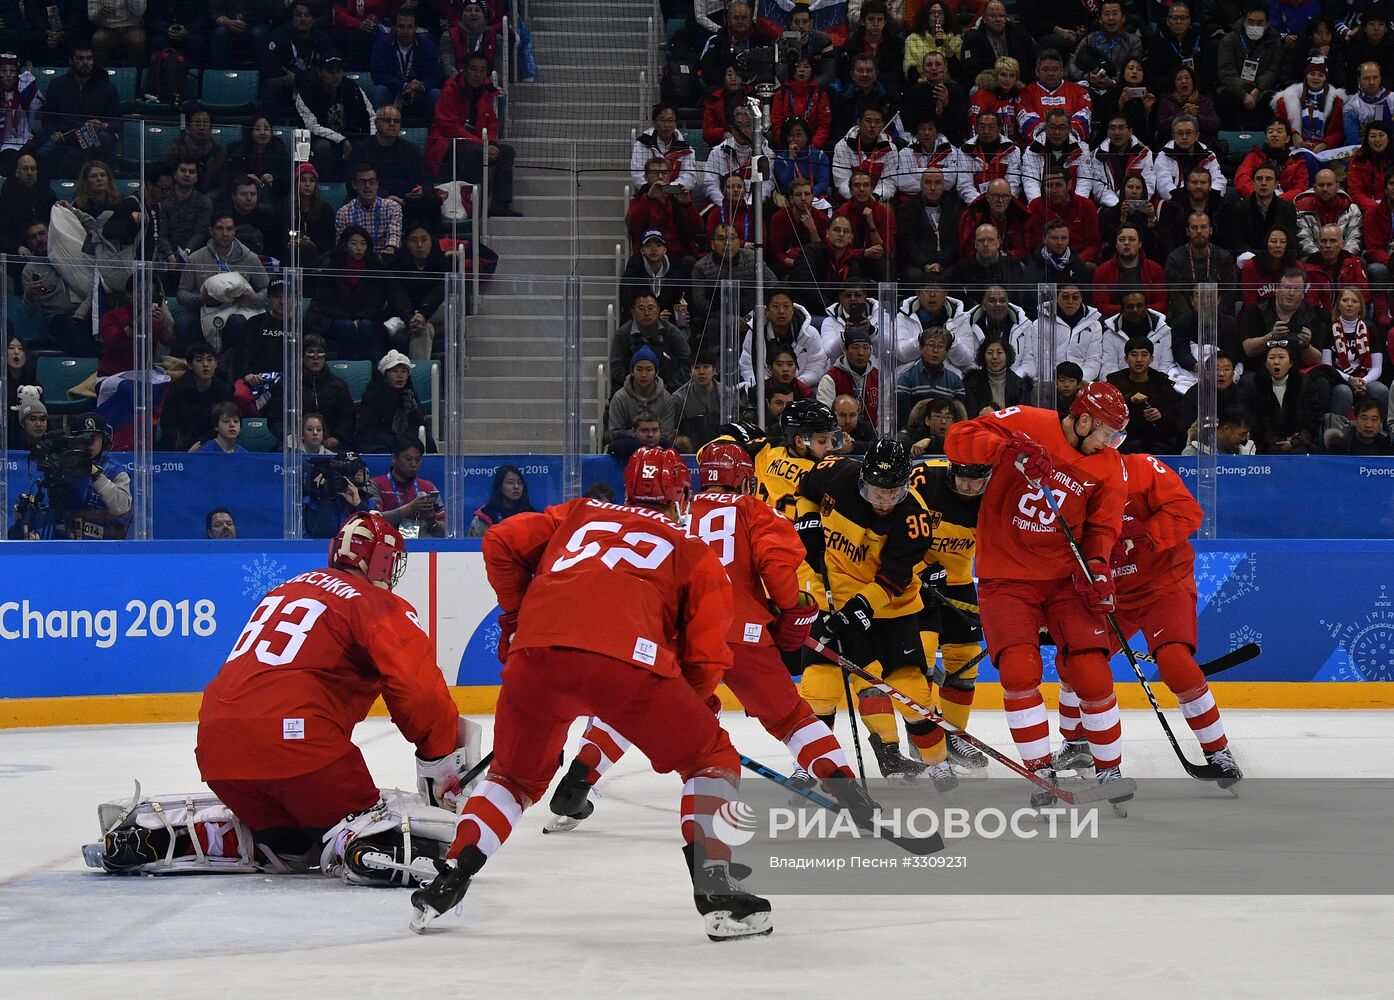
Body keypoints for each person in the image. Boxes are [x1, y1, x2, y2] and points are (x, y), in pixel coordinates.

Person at [410, 448, 771, 942]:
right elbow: (707, 658)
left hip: (535, 657)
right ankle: (716, 890)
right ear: (681, 496)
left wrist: (518, 618)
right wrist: (690, 702)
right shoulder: (693, 551)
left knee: (512, 779)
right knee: (711, 757)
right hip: (627, 665)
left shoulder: (577, 513)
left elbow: (498, 540)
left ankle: (452, 874)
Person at [92, 512, 482, 885]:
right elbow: (419, 693)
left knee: (293, 848)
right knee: (410, 829)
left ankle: (165, 836)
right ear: (380, 561)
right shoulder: (375, 603)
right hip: (302, 753)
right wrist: (441, 761)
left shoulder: (284, 589)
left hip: (217, 750)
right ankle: (367, 844)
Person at [544, 442, 867, 832]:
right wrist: (795, 610)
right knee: (790, 717)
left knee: (635, 706)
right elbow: (779, 572)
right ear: (744, 479)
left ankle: (579, 780)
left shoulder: (676, 513)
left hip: (681, 635)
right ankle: (847, 789)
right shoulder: (754, 509)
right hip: (742, 633)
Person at [944, 382, 1133, 807]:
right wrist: (1006, 451)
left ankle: (1109, 770)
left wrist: (1098, 568)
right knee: (1018, 670)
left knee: (1090, 669)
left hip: (1066, 578)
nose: (1111, 443)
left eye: (1118, 437)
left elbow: (1103, 527)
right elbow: (958, 438)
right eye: (1107, 432)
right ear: (1083, 420)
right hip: (1006, 574)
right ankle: (1041, 772)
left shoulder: (1110, 466)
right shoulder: (1028, 422)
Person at [1069, 453, 1241, 785]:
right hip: (1111, 595)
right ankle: (1076, 744)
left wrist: (1142, 535)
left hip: (1164, 583)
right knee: (1077, 663)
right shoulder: (1069, 485)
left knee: (1175, 662)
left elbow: (1188, 512)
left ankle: (1217, 750)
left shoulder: (1143, 469)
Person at [794, 439, 955, 787]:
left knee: (912, 692)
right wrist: (806, 521)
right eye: (876, 491)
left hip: (892, 605)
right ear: (863, 478)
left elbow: (894, 578)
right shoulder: (835, 473)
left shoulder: (915, 519)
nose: (884, 501)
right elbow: (804, 488)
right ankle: (810, 763)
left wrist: (859, 610)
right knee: (819, 683)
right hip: (831, 595)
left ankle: (938, 763)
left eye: (893, 493)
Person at [908, 458, 992, 774]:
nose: (969, 486)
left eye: (977, 480)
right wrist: (920, 569)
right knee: (922, 661)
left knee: (967, 658)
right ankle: (923, 735)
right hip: (912, 580)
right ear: (952, 471)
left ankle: (954, 735)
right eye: (962, 478)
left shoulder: (995, 496)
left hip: (957, 583)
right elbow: (892, 528)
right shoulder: (924, 479)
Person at [10, 414, 131, 540]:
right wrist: (27, 514)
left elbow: (121, 508)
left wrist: (96, 474)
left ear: (104, 440)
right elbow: (53, 511)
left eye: (94, 438)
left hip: (104, 549)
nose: (89, 444)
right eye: (82, 439)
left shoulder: (115, 471)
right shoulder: (61, 466)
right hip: (64, 546)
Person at [427, 53, 517, 216]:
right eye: (474, 70)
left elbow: (491, 122)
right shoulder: (450, 89)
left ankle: (500, 205)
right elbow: (450, 127)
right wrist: (483, 145)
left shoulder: (487, 90)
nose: (478, 75)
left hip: (477, 142)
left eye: (483, 70)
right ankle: (472, 205)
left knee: (507, 152)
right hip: (449, 142)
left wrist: (489, 143)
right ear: (464, 71)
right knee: (474, 153)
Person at [306, 225, 389, 361]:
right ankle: (347, 365)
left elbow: (377, 301)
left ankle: (374, 367)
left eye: (363, 244)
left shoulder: (375, 266)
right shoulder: (331, 265)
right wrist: (351, 318)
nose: (359, 248)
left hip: (366, 317)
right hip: (333, 318)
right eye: (354, 243)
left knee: (367, 326)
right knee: (346, 326)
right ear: (345, 245)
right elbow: (325, 301)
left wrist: (359, 317)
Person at [295, 53, 376, 183]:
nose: (336, 76)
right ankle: (325, 187)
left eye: (339, 71)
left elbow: (371, 115)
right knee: (323, 147)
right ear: (320, 72)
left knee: (365, 145)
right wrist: (341, 140)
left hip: (350, 138)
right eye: (330, 71)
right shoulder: (307, 92)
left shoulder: (352, 87)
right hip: (318, 140)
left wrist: (373, 139)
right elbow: (312, 126)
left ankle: (356, 185)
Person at [1105, 337, 1184, 454]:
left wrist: (1160, 414)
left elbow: (1176, 416)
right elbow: (1106, 410)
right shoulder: (1114, 382)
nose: (1139, 360)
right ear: (1126, 358)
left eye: (1144, 355)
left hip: (1157, 441)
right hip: (1125, 439)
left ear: (1151, 359)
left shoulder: (1162, 383)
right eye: (1134, 355)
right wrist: (1128, 400)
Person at [368, 8, 442, 127]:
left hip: (419, 92)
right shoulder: (382, 44)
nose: (405, 31)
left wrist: (421, 86)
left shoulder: (427, 45)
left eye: (409, 26)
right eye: (401, 26)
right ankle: (378, 132)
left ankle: (430, 133)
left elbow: (436, 75)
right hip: (393, 90)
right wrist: (404, 85)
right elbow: (377, 74)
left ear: (416, 28)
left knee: (436, 94)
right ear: (394, 27)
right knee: (379, 91)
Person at [158, 342, 235, 451]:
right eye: (199, 360)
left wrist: (202, 443)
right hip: (180, 444)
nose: (205, 364)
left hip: (212, 442)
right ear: (190, 365)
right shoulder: (178, 389)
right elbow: (168, 422)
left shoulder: (224, 390)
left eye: (210, 360)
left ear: (216, 363)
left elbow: (225, 422)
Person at [357, 350, 434, 454]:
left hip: (404, 439)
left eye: (403, 371)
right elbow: (368, 429)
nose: (400, 376)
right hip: (379, 441)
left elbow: (418, 422)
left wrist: (407, 438)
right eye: (394, 371)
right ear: (385, 374)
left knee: (428, 442)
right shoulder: (373, 394)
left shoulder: (410, 394)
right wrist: (396, 440)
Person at [374, 436, 445, 537]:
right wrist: (409, 508)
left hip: (424, 547)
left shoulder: (429, 487)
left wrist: (432, 521)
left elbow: (446, 532)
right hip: (388, 546)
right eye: (408, 459)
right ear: (394, 458)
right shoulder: (376, 485)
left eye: (418, 460)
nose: (414, 464)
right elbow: (373, 521)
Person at [609, 346, 676, 442]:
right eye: (639, 369)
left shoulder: (666, 399)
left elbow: (666, 432)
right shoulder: (619, 398)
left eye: (649, 370)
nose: (644, 374)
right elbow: (615, 432)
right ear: (632, 371)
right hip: (627, 447)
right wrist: (640, 435)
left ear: (656, 372)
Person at [672, 352, 737, 450]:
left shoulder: (727, 395)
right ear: (690, 372)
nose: (701, 372)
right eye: (696, 367)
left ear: (714, 370)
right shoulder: (679, 398)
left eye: (706, 367)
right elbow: (674, 431)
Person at [469, 464, 535, 537]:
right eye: (510, 482)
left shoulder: (532, 515)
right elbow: (472, 546)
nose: (516, 486)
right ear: (499, 486)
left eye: (519, 483)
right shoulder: (485, 515)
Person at [1326, 398, 1394, 453]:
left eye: (1374, 420)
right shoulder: (1341, 443)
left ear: (1381, 422)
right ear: (1356, 419)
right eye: (1364, 419)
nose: (1368, 425)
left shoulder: (1386, 444)